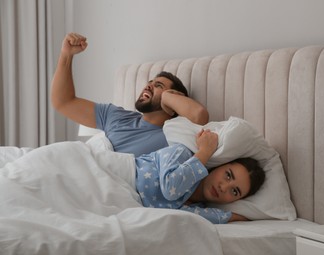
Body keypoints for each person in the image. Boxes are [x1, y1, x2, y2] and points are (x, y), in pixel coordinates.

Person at [51, 33, 209, 156]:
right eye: (149, 82)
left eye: (158, 85)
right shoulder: (115, 115)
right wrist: (66, 55)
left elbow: (199, 115)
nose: (149, 86)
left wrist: (167, 97)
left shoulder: (171, 135)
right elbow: (63, 102)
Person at [135, 128, 265, 224]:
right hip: (121, 175)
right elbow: (171, 188)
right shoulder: (182, 153)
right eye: (228, 175)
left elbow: (188, 217)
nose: (223, 188)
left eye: (235, 191)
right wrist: (206, 150)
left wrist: (236, 216)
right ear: (220, 165)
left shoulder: (196, 208)